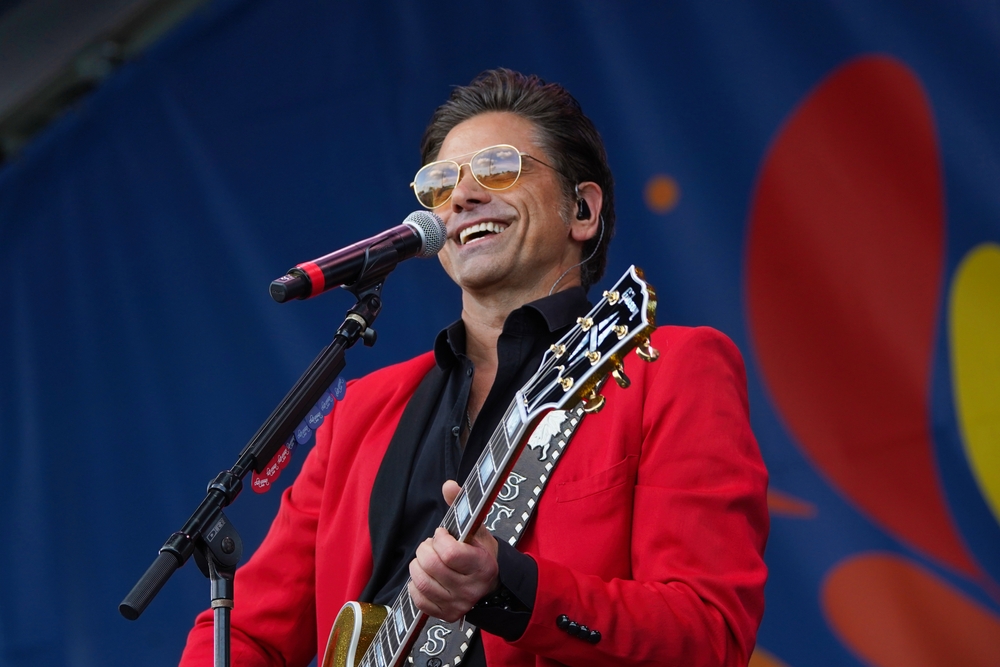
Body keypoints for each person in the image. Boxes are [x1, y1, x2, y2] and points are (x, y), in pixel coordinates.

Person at [179, 68, 769, 667]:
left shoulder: (670, 370)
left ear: (583, 211)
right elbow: (244, 634)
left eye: (498, 169)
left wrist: (512, 588)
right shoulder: (360, 415)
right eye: (439, 185)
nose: (461, 197)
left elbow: (708, 634)